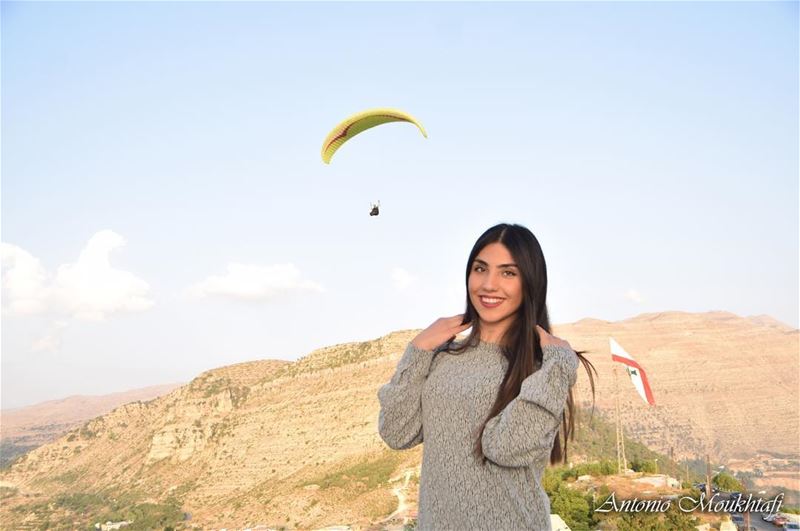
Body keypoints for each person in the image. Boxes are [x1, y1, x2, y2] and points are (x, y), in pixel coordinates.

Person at [377, 223, 596, 530]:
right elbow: (396, 432)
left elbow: (506, 448)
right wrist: (418, 349)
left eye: (508, 272)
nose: (489, 284)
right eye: (480, 269)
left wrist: (559, 368)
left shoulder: (540, 369)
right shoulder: (442, 357)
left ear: (529, 282)